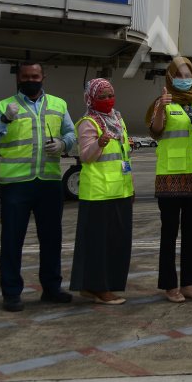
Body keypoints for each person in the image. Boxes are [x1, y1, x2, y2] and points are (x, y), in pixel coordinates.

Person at [0, 60, 76, 312]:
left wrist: (63, 144)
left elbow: (72, 134)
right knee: (12, 241)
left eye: (35, 76)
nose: (30, 80)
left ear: (43, 76)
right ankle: (11, 293)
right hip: (16, 184)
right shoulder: (3, 106)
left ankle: (52, 289)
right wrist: (4, 119)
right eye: (26, 76)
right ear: (18, 79)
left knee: (51, 239)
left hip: (48, 182)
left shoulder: (59, 104)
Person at [147, 57, 192, 303]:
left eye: (188, 74)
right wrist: (161, 107)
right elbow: (156, 130)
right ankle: (169, 285)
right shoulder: (163, 103)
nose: (185, 79)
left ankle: (189, 283)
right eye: (180, 75)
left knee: (191, 234)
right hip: (170, 178)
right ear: (170, 78)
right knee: (169, 233)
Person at [70, 78, 133, 305]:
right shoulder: (88, 122)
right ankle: (101, 288)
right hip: (98, 192)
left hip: (120, 189)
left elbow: (122, 155)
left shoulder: (117, 119)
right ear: (91, 98)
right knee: (100, 244)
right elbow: (86, 156)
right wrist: (100, 144)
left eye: (110, 95)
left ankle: (89, 286)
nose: (107, 100)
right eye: (102, 96)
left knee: (117, 242)